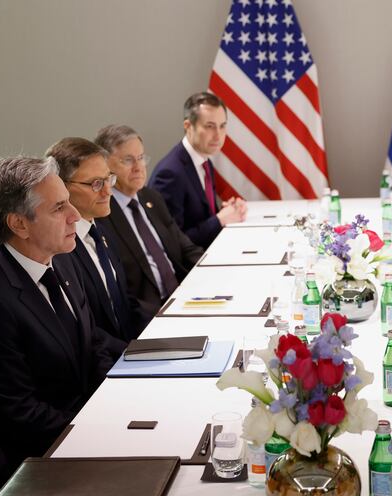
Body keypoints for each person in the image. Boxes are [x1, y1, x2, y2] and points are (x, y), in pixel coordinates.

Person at [0, 156, 121, 489]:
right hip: (22, 457)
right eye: (59, 208)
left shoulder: (63, 259)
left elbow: (93, 344)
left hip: (75, 426)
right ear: (19, 224)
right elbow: (21, 414)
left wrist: (117, 403)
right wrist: (99, 432)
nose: (75, 215)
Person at [94, 125, 203, 319]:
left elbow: (185, 248)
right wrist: (164, 315)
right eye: (128, 160)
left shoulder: (151, 197)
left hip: (184, 297)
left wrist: (213, 273)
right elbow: (120, 293)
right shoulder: (102, 215)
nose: (138, 167)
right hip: (151, 315)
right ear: (105, 166)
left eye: (141, 157)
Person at [46, 137, 147, 341]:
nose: (108, 191)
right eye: (95, 184)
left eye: (108, 178)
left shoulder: (102, 229)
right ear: (61, 187)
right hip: (106, 362)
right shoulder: (58, 249)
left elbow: (124, 302)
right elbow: (86, 331)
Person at [150, 92, 247, 248]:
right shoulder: (170, 174)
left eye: (222, 126)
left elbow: (200, 218)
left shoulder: (204, 160)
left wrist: (227, 212)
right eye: (210, 126)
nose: (218, 136)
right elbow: (173, 243)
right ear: (188, 126)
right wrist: (220, 220)